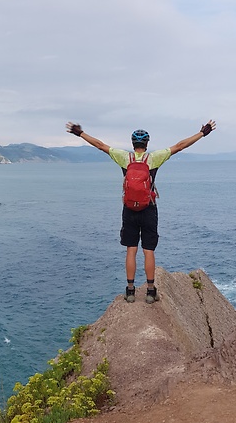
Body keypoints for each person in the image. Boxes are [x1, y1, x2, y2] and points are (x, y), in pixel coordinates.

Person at [66, 120, 216, 303]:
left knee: (131, 249)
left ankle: (130, 291)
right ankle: (150, 291)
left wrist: (80, 133)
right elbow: (180, 146)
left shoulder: (124, 158)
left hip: (129, 209)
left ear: (132, 144)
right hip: (149, 208)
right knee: (148, 251)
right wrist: (202, 133)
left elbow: (100, 145)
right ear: (147, 144)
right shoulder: (154, 158)